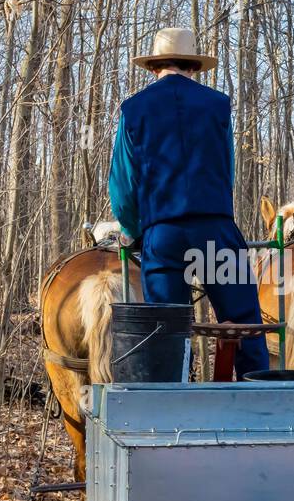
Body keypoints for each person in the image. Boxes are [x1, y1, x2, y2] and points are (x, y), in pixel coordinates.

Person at [108, 26, 270, 378]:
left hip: (163, 234)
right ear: (193, 67)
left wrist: (134, 230)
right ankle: (258, 402)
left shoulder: (134, 109)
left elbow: (123, 184)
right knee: (244, 322)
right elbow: (226, 170)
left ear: (154, 68)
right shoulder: (217, 105)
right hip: (214, 230)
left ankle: (173, 406)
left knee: (168, 330)